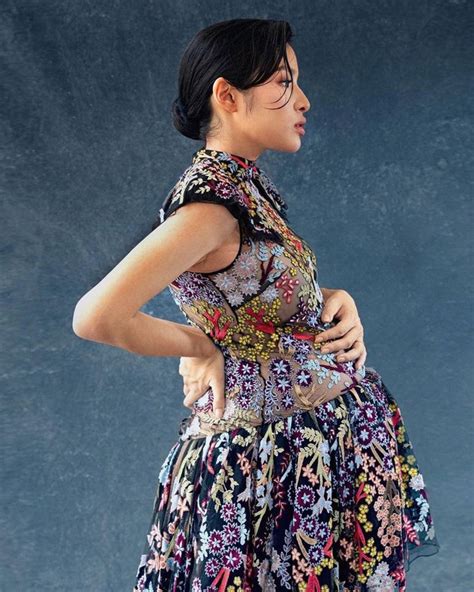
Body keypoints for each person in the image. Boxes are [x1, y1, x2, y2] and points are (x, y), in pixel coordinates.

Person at [72, 18, 440, 592]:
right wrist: (200, 344)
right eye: (283, 83)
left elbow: (256, 295)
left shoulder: (243, 188)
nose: (303, 100)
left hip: (312, 450)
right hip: (269, 468)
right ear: (227, 95)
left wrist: (334, 299)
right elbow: (96, 317)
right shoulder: (208, 210)